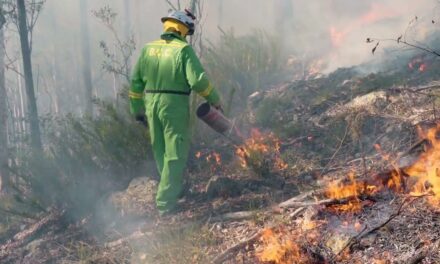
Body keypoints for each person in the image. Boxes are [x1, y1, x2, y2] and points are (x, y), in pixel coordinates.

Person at [129, 9, 222, 215]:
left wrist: (137, 110)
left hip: (151, 102)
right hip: (174, 104)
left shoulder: (147, 49)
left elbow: (135, 83)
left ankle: (171, 190)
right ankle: (165, 203)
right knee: (175, 152)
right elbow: (197, 81)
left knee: (160, 150)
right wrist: (214, 100)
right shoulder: (183, 50)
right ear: (182, 29)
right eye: (187, 31)